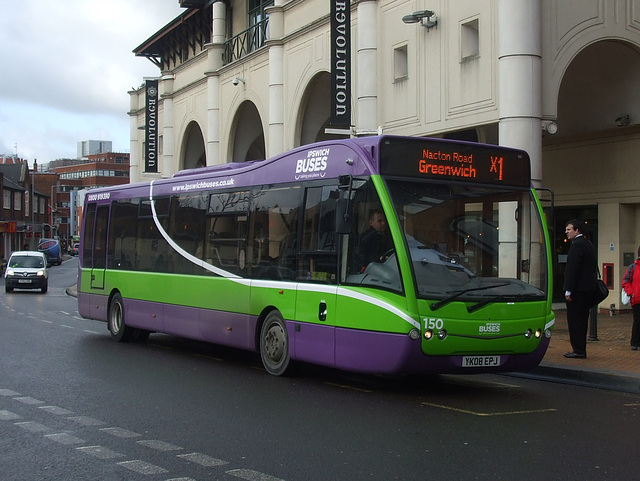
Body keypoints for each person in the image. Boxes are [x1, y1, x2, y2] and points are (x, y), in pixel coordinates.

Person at [562, 219, 598, 358]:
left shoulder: (577, 245)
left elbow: (572, 269)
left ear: (577, 230)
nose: (566, 232)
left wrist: (568, 289)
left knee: (575, 320)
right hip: (587, 289)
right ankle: (580, 348)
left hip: (577, 290)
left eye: (569, 229)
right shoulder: (588, 243)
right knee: (582, 320)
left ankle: (578, 349)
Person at [621, 246, 640, 350]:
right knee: (637, 321)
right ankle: (635, 342)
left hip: (636, 297)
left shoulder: (632, 267)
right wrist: (631, 293)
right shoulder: (633, 267)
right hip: (636, 299)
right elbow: (626, 282)